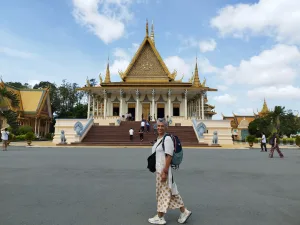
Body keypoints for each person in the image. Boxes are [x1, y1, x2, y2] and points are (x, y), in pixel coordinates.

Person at [148, 118, 191, 225]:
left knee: (163, 193)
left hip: (163, 171)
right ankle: (184, 212)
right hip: (159, 170)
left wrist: (165, 172)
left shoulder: (167, 139)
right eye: (158, 126)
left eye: (162, 126)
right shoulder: (159, 138)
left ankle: (160, 217)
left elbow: (169, 155)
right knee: (171, 192)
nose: (160, 128)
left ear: (166, 127)